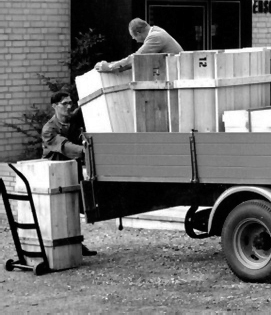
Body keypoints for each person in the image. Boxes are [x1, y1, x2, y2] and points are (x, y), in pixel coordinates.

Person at [41, 90, 97, 257]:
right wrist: (87, 150)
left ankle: (75, 244)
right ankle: (55, 248)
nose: (68, 106)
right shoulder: (49, 129)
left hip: (72, 170)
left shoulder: (73, 121)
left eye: (70, 103)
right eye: (64, 103)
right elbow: (65, 147)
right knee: (57, 212)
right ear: (54, 106)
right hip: (53, 174)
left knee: (73, 207)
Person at [94, 18, 183, 72]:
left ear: (138, 33)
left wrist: (110, 67)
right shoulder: (157, 31)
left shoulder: (155, 37)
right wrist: (112, 64)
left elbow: (136, 58)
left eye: (133, 36)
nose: (133, 39)